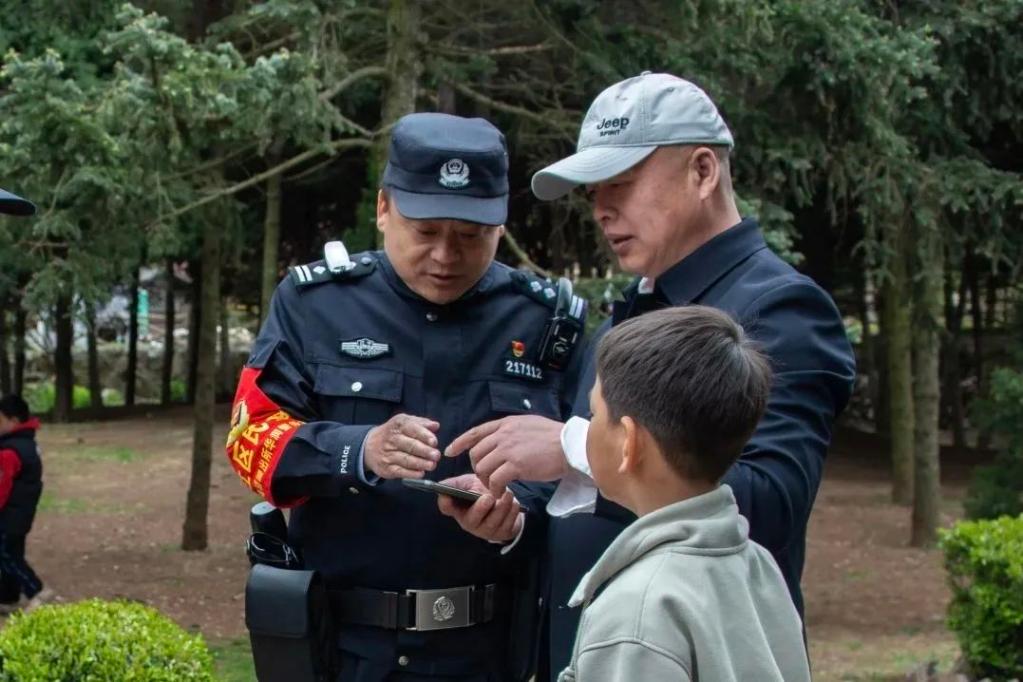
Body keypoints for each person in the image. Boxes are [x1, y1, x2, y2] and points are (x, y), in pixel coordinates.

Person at [441, 72, 856, 678]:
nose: (601, 209)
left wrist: (572, 446)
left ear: (703, 171)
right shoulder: (631, 312)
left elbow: (769, 505)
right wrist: (515, 518)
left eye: (622, 183)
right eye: (593, 191)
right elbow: (597, 501)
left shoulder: (779, 308)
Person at [225, 112, 586, 681]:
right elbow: (250, 439)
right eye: (426, 231)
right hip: (347, 651)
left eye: (470, 236)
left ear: (500, 225)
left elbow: (587, 461)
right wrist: (358, 449)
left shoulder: (546, 322)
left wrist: (517, 516)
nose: (445, 255)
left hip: (491, 651)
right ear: (383, 209)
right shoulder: (314, 305)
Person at [559, 306, 810, 682]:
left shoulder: (637, 610)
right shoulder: (757, 563)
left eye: (594, 414)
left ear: (628, 442)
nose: (588, 425)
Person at [0, 394, 51, 613]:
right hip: (21, 513)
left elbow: (2, 486)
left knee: (6, 555)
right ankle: (8, 596)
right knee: (11, 552)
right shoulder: (27, 443)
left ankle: (36, 590)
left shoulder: (10, 451)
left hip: (8, 514)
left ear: (14, 421)